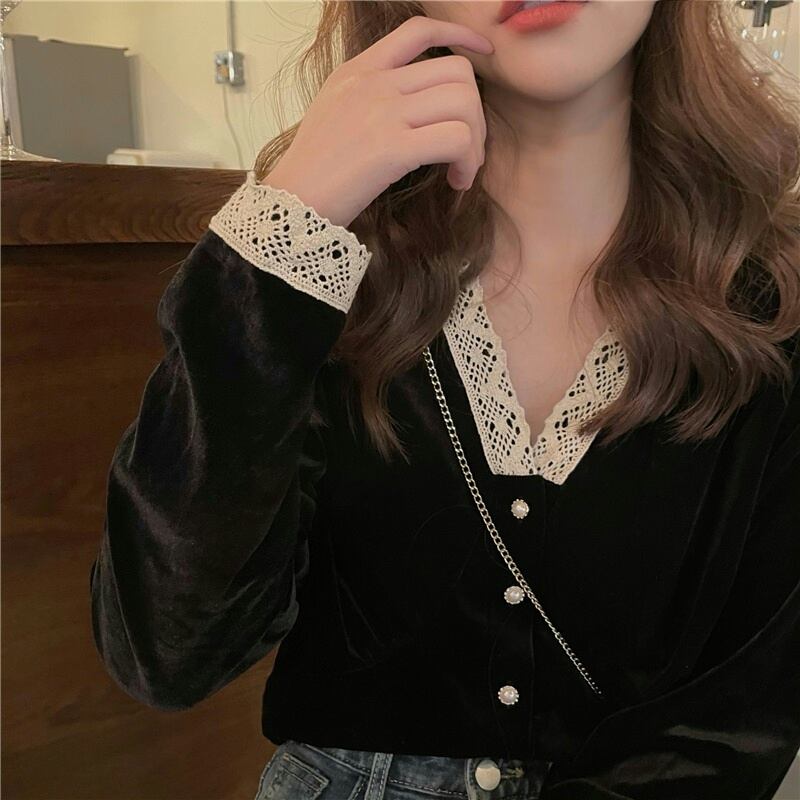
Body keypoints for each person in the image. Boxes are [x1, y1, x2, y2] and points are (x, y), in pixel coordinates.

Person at [88, 1, 800, 798]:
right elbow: (165, 652)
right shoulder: (324, 260)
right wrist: (284, 232)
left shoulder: (772, 307)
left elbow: (737, 722)